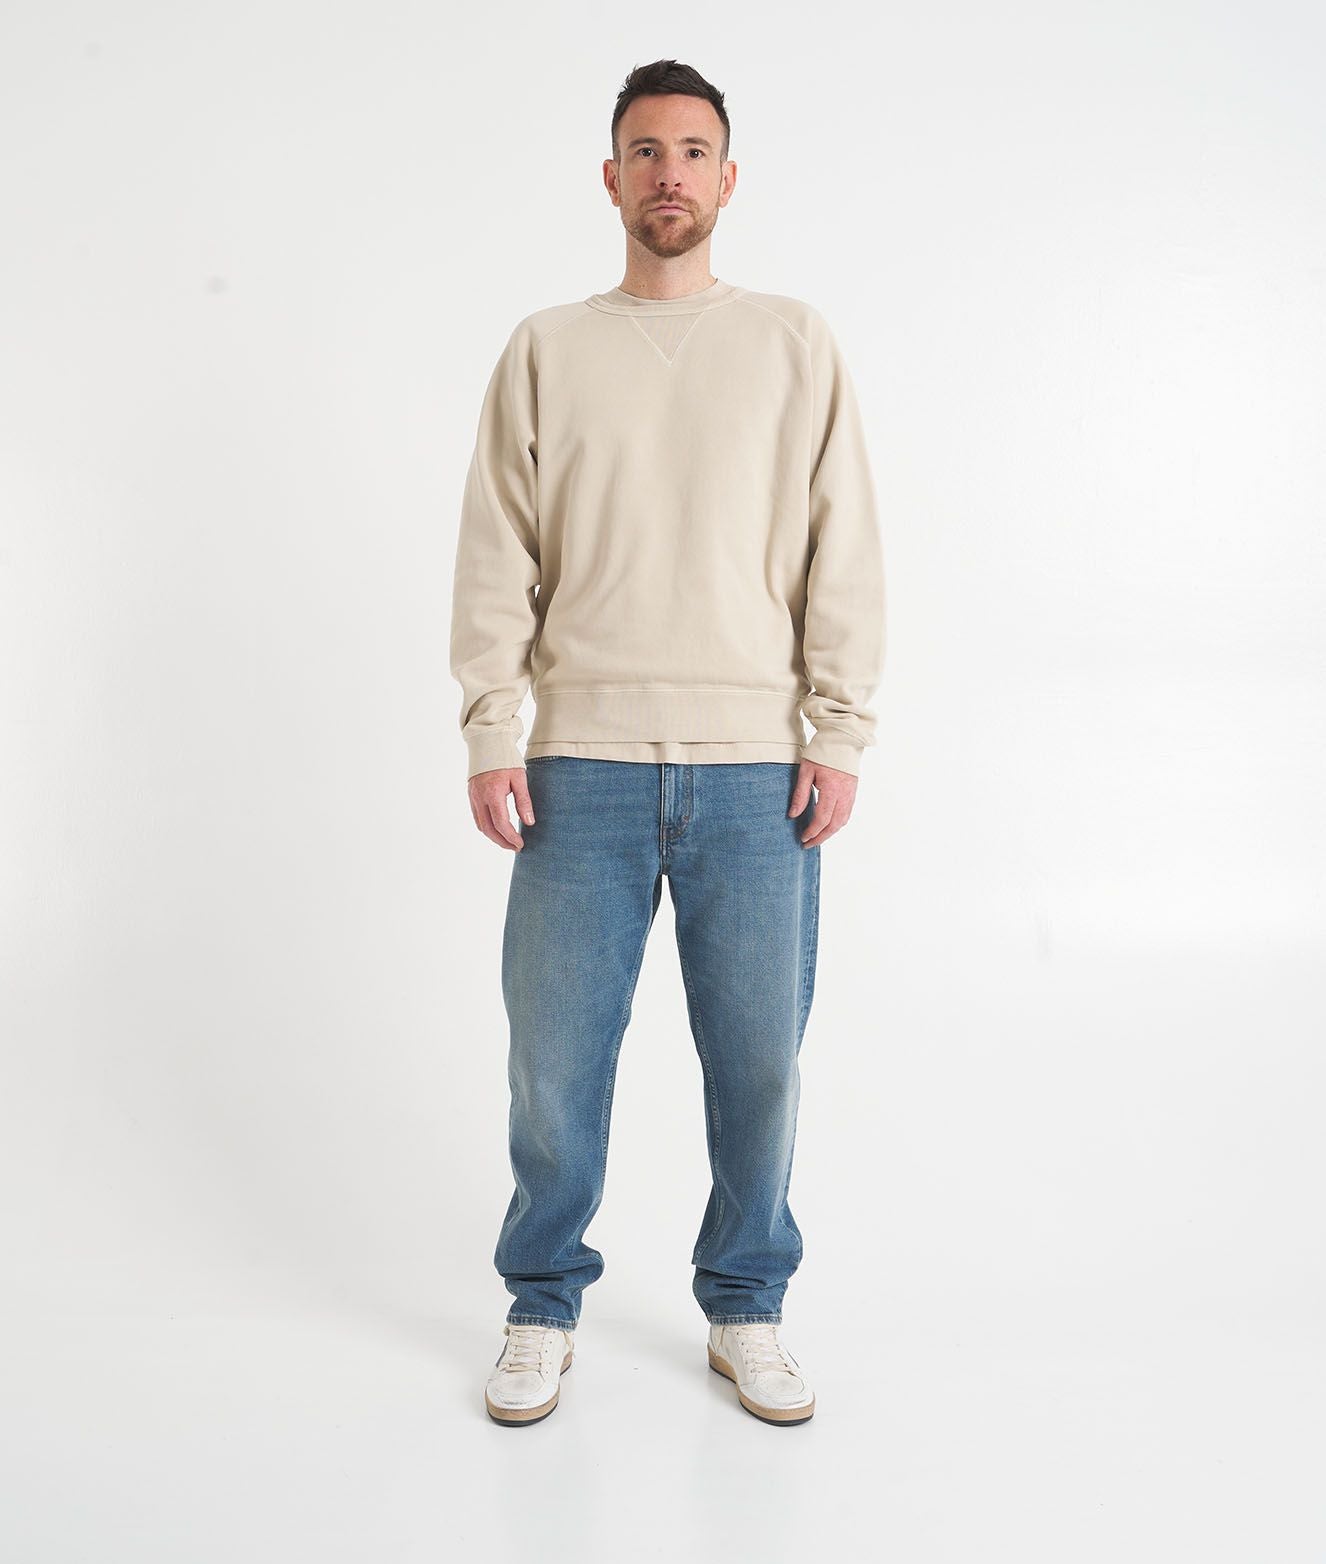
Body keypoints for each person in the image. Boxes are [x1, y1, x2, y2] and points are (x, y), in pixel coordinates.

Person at [449, 58, 886, 1427]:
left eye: (694, 151)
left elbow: (843, 547)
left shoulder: (793, 342)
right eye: (646, 151)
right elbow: (495, 551)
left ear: (729, 177)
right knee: (554, 1065)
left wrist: (838, 729)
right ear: (611, 177)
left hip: (757, 770)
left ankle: (746, 1304)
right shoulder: (545, 348)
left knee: (759, 1064)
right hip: (578, 765)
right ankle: (540, 1303)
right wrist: (493, 726)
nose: (670, 174)